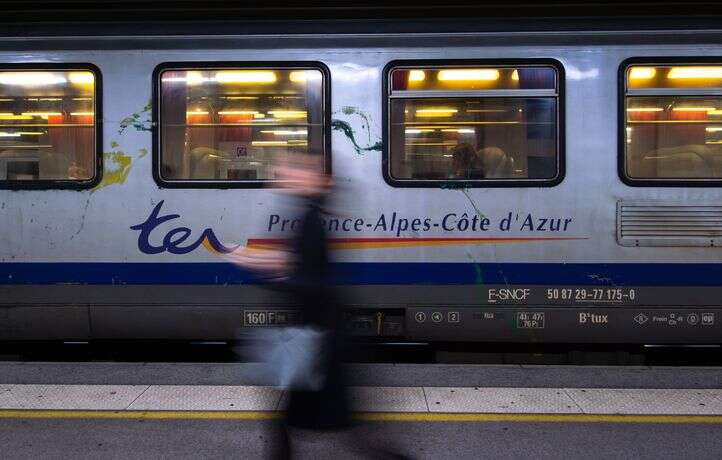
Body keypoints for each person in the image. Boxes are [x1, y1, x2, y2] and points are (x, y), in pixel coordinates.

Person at [225, 152, 350, 459]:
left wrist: (267, 271)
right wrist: (267, 262)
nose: (287, 174)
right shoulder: (310, 213)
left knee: (348, 434)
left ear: (318, 179)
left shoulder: (311, 219)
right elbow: (306, 270)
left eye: (298, 170)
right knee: (289, 422)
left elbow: (316, 283)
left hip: (319, 340)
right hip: (316, 336)